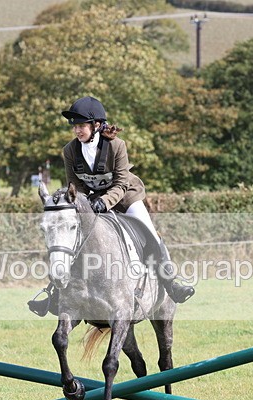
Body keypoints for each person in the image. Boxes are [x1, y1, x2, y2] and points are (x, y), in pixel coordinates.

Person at [28, 96, 194, 316]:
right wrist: (86, 203)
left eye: (81, 126)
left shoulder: (116, 146)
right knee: (72, 239)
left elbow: (121, 183)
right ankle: (55, 294)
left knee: (150, 233)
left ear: (96, 125)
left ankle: (171, 283)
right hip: (92, 202)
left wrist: (104, 202)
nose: (77, 130)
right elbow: (74, 186)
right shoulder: (70, 150)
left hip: (126, 198)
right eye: (75, 126)